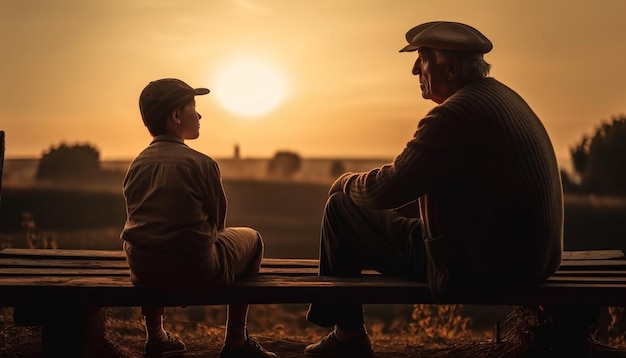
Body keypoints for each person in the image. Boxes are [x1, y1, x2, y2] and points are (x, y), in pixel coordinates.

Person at [304, 21, 563, 357]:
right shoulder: (502, 98)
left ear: (451, 68)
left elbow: (386, 190)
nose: (415, 69)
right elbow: (455, 186)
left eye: (423, 59)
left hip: (481, 266)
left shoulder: (454, 115)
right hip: (532, 259)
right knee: (369, 212)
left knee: (341, 208)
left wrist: (346, 182)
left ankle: (347, 334)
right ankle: (342, 329)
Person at [121, 78, 278, 358]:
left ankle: (156, 336)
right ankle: (236, 340)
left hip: (143, 270)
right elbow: (218, 224)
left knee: (153, 240)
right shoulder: (202, 164)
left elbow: (139, 221)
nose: (200, 114)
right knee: (252, 240)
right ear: (176, 116)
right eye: (192, 106)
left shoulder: (136, 165)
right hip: (196, 271)